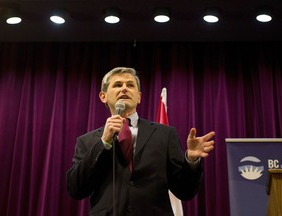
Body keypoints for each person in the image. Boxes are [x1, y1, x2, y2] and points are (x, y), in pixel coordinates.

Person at [66, 67, 215, 216]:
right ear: (103, 96)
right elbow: (76, 189)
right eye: (118, 85)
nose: (124, 88)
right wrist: (104, 142)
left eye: (130, 85)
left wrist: (191, 160)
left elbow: (184, 191)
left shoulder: (165, 134)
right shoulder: (87, 141)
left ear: (139, 97)